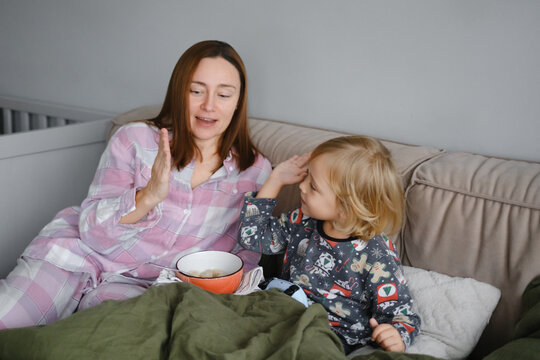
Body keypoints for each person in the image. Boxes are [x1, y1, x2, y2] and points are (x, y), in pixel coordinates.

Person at [0, 40, 272, 329]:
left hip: (147, 288)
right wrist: (148, 197)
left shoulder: (255, 172)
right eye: (196, 91)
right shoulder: (134, 139)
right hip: (77, 257)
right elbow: (91, 231)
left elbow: (244, 258)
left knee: (103, 343)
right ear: (178, 93)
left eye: (224, 94)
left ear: (239, 101)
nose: (209, 105)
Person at [237, 135, 421, 354]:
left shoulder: (376, 253)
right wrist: (275, 180)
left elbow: (400, 313)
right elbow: (252, 236)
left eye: (313, 186)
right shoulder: (301, 221)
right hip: (282, 314)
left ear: (347, 206)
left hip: (326, 336)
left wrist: (396, 335)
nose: (301, 186)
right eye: (306, 178)